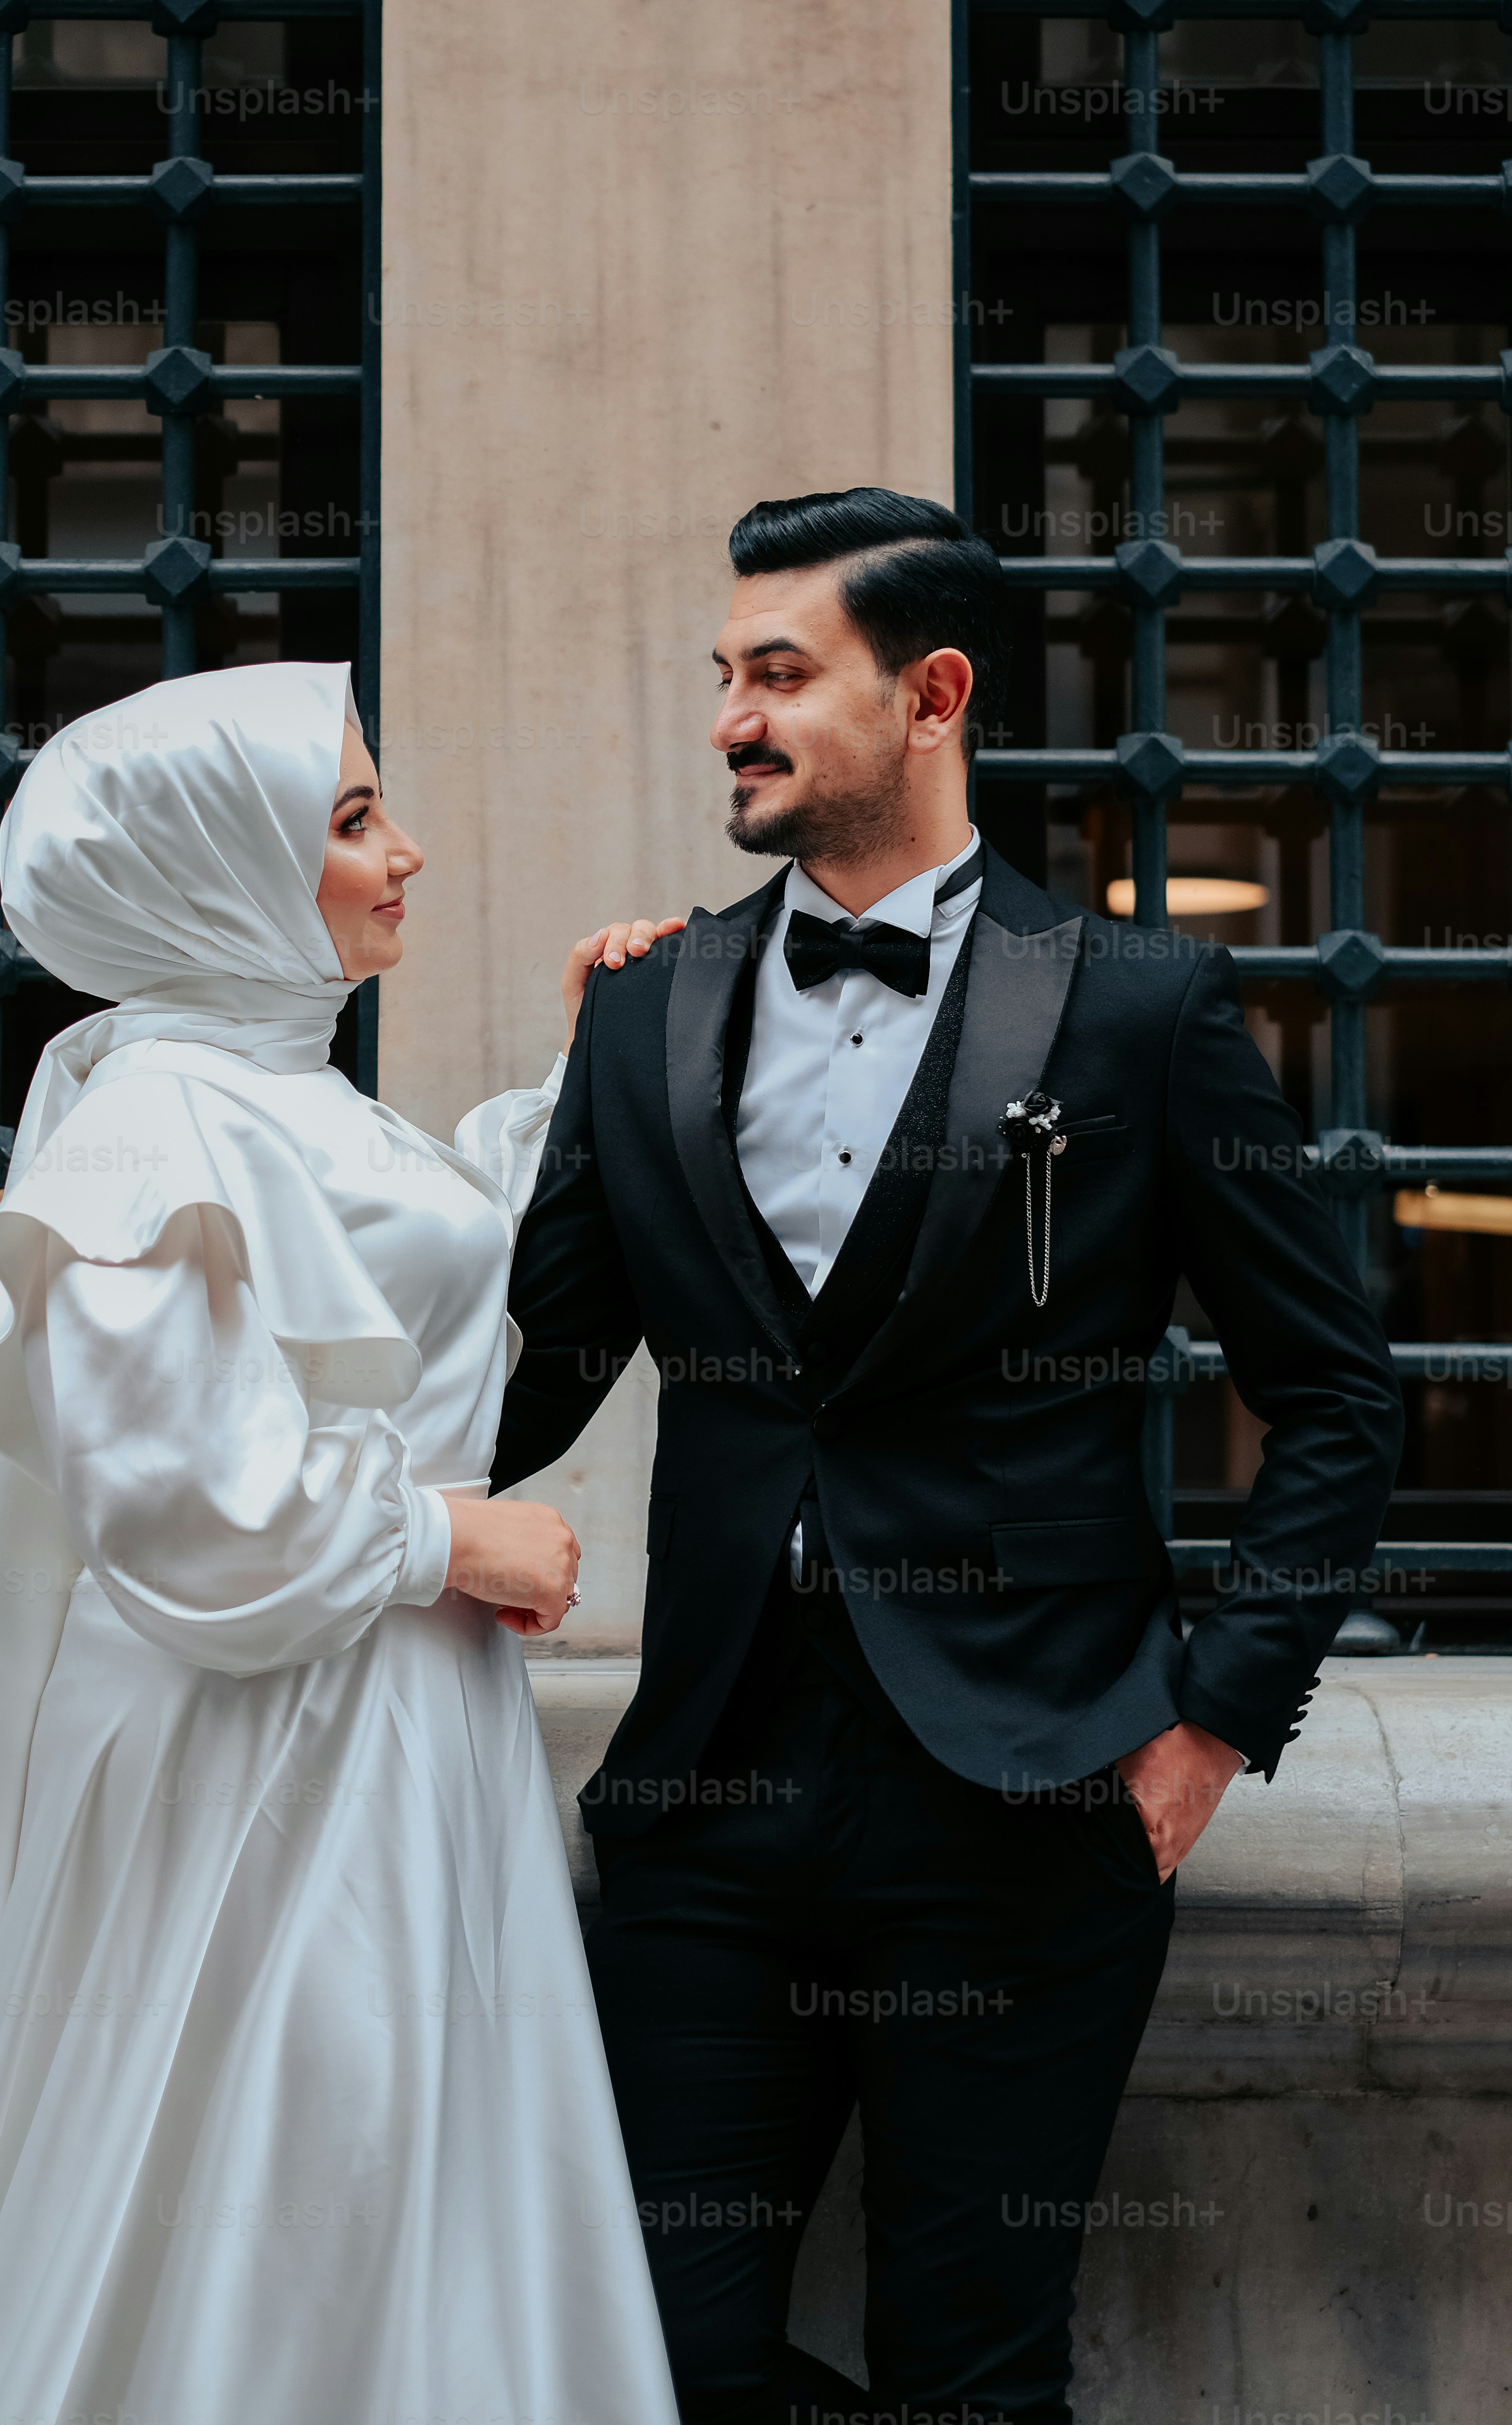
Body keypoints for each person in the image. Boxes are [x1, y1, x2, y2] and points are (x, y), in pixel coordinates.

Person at [492, 487, 1404, 2425]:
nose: (730, 718)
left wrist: (1208, 1722)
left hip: (1022, 1802)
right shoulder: (645, 1008)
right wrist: (290, 1482)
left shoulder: (1138, 1007)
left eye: (777, 674)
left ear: (932, 695)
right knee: (641, 2359)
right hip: (707, 1809)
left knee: (971, 2373)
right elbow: (530, 1376)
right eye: (721, 679)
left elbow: (1334, 1394)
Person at [0, 660, 685, 2425]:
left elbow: (413, 1268)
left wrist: (578, 1062)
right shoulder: (156, 1124)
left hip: (381, 1734)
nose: (409, 851)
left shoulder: (280, 1092)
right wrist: (442, 1534)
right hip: (265, 1763)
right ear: (218, 868)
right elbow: (181, 1509)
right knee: (302, 2181)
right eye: (354, 819)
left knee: (405, 2197)